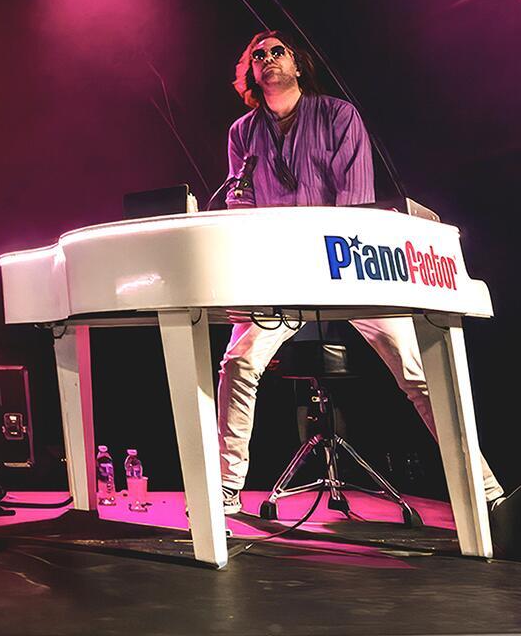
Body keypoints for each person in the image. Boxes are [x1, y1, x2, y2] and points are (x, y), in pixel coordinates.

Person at [216, 29, 504, 514]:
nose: (267, 58)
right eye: (257, 55)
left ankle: (486, 490)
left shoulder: (338, 115)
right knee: (239, 361)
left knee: (417, 374)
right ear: (250, 72)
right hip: (282, 272)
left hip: (348, 261)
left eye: (278, 51)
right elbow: (243, 203)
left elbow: (353, 198)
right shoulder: (242, 132)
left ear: (298, 64)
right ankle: (226, 487)